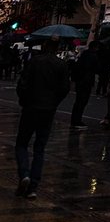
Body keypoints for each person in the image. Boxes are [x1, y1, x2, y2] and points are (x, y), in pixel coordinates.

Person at [14, 37, 70, 198]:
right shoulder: (61, 65)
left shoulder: (35, 62)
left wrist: (24, 100)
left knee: (22, 143)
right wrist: (54, 102)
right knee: (40, 147)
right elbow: (64, 88)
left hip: (31, 106)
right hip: (48, 109)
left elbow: (23, 84)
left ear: (45, 45)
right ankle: (33, 186)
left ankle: (24, 173)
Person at [69, 40, 99, 130]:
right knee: (82, 101)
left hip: (81, 80)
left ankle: (75, 120)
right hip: (86, 81)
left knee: (79, 101)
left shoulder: (84, 54)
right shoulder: (92, 56)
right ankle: (77, 120)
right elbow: (95, 68)